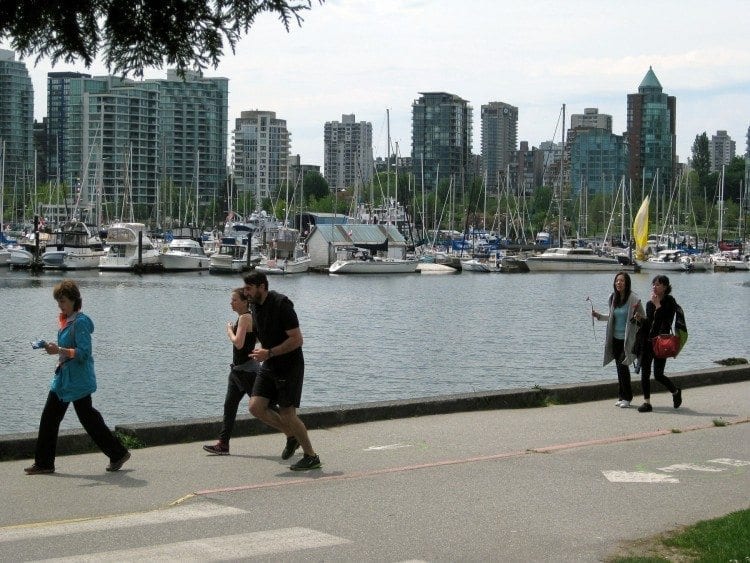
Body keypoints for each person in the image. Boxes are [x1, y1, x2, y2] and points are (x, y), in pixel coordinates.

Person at [25, 280, 130, 475]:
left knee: (87, 419)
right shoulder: (67, 320)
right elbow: (68, 351)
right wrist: (54, 350)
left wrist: (60, 350)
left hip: (77, 381)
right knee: (53, 418)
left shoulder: (80, 322)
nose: (60, 305)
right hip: (64, 380)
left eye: (63, 301)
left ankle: (117, 453)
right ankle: (44, 463)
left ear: (74, 300)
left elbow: (84, 353)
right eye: (58, 301)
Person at [243, 271, 322, 471]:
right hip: (269, 363)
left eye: (249, 288)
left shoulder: (282, 305)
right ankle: (291, 435)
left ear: (262, 286)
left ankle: (311, 456)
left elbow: (297, 339)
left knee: (288, 413)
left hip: (289, 366)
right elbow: (265, 332)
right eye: (245, 289)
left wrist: (269, 352)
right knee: (255, 407)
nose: (246, 293)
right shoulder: (254, 306)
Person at [202, 288, 261, 455]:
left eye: (234, 300)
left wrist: (229, 330)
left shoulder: (244, 317)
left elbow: (239, 343)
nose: (231, 303)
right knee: (229, 407)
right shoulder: (248, 316)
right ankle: (223, 444)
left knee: (265, 409)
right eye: (231, 300)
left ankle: (292, 433)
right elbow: (255, 338)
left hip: (248, 373)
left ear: (244, 302)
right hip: (237, 372)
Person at [592, 271, 645, 409]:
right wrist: (599, 316)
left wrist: (638, 318)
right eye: (617, 281)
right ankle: (622, 396)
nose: (618, 283)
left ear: (627, 283)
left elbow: (644, 319)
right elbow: (612, 316)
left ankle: (627, 398)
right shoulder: (613, 298)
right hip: (614, 338)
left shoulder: (634, 299)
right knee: (618, 367)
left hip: (627, 339)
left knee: (623, 367)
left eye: (621, 281)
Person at [633, 274, 683, 413]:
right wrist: (640, 319)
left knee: (658, 374)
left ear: (665, 287)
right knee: (645, 373)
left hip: (662, 342)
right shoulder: (649, 303)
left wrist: (658, 306)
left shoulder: (670, 302)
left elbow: (666, 322)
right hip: (648, 342)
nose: (655, 287)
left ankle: (675, 392)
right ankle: (647, 402)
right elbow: (650, 323)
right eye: (653, 284)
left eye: (658, 284)